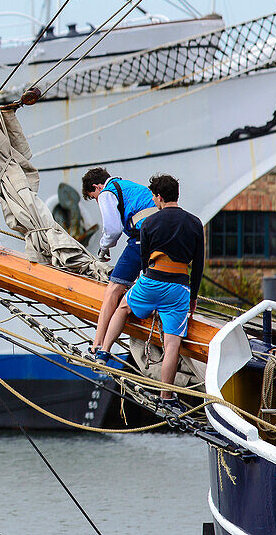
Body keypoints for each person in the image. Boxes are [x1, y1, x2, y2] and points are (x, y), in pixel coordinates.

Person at [98, 173, 205, 413]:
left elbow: (145, 261)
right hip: (179, 288)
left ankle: (103, 351)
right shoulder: (195, 222)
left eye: (154, 198)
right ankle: (166, 396)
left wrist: (147, 285)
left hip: (152, 280)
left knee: (123, 308)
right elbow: (198, 264)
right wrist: (193, 297)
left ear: (157, 197)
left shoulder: (148, 224)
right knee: (172, 345)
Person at [81, 167, 158, 361]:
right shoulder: (129, 186)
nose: (98, 201)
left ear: (96, 187)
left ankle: (97, 346)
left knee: (113, 290)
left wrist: (103, 248)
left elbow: (113, 229)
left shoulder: (107, 192)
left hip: (142, 239)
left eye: (94, 197)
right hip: (159, 239)